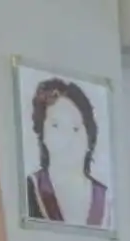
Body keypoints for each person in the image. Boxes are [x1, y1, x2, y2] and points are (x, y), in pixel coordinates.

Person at [26, 77, 111, 229]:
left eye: (75, 128)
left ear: (89, 139)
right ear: (43, 134)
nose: (67, 138)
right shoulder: (31, 188)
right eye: (56, 126)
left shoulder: (106, 199)